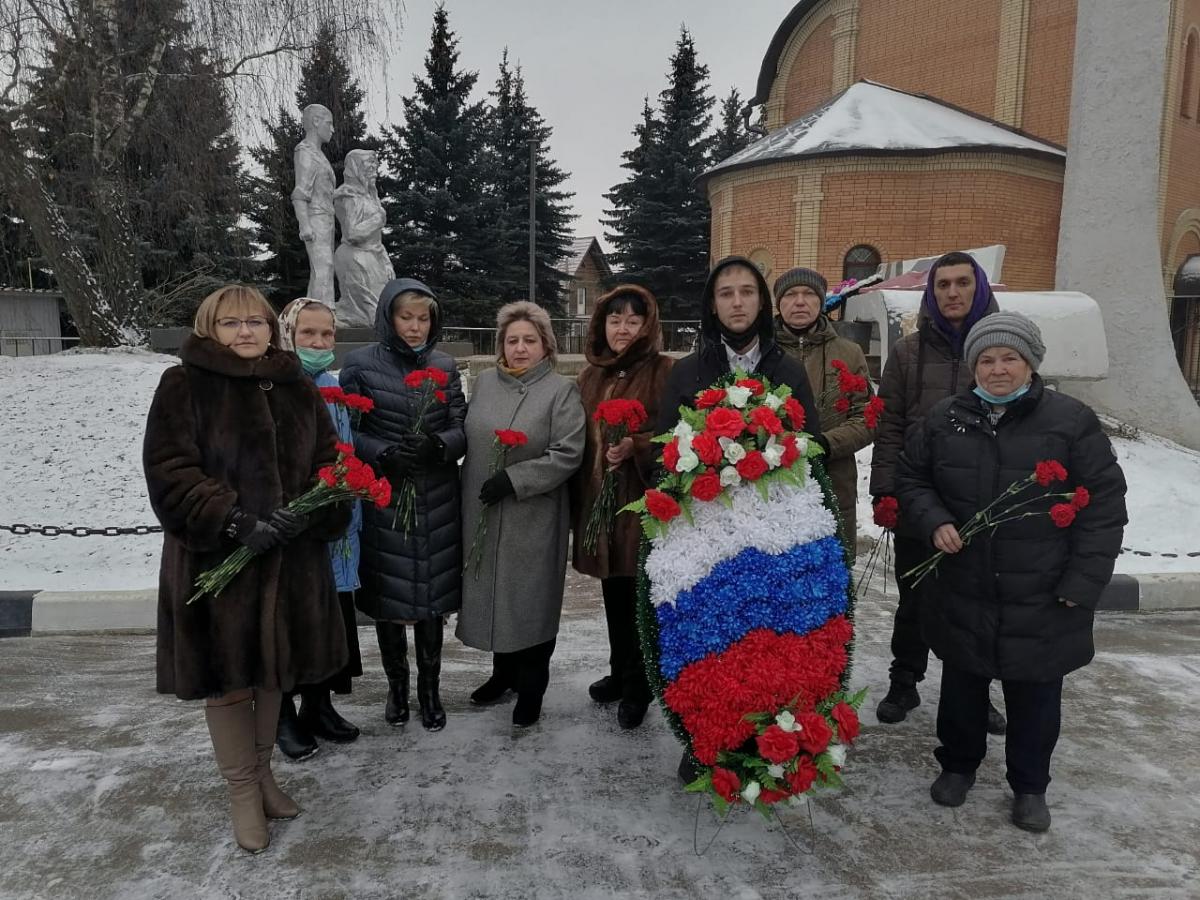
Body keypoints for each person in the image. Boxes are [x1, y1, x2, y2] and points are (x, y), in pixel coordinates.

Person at [895, 312, 1127, 832]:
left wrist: (1082, 584)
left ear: (1030, 363)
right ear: (973, 366)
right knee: (962, 685)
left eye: (1009, 358)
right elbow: (911, 478)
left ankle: (1029, 785)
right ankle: (957, 765)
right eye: (986, 359)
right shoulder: (945, 417)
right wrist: (934, 522)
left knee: (1036, 696)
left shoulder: (1070, 422)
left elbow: (1105, 507)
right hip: (964, 583)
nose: (997, 369)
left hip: (1041, 590)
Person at [144, 285, 351, 854]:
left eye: (255, 322)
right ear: (211, 328)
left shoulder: (296, 386)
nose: (245, 332)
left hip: (291, 561)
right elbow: (169, 469)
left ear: (270, 328)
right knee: (230, 678)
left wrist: (309, 512)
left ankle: (264, 777)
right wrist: (234, 522)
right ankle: (241, 791)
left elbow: (330, 461)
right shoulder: (184, 385)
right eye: (231, 323)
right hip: (221, 566)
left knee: (273, 674)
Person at [870, 251, 1007, 733]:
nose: (953, 293)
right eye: (943, 284)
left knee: (977, 604)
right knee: (915, 599)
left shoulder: (999, 348)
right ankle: (904, 678)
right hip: (917, 497)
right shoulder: (908, 352)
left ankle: (975, 689)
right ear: (932, 293)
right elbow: (888, 426)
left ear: (979, 288)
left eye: (962, 283)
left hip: (980, 502)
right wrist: (884, 492)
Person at [340, 279, 467, 732]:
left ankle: (430, 691)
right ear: (388, 318)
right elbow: (348, 429)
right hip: (387, 497)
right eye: (405, 317)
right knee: (390, 598)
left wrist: (437, 445)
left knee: (431, 598)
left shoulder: (445, 366)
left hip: (434, 495)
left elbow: (460, 424)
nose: (415, 327)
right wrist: (383, 452)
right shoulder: (359, 365)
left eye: (423, 318)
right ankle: (397, 688)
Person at [457, 301, 586, 728]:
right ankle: (502, 675)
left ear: (546, 345)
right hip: (485, 514)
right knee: (495, 596)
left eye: (529, 340)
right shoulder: (486, 384)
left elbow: (568, 453)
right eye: (512, 340)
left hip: (533, 515)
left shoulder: (560, 391)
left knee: (529, 602)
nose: (520, 348)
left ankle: (531, 689)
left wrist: (516, 479)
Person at [571, 285, 674, 730]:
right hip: (601, 505)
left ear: (648, 325)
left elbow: (679, 435)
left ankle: (640, 685)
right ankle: (620, 671)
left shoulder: (666, 371)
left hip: (641, 506)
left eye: (633, 321)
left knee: (640, 599)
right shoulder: (590, 377)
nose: (623, 329)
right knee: (613, 593)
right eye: (615, 320)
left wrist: (637, 445)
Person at [273, 298, 364, 760]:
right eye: (308, 333)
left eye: (327, 334)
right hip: (295, 523)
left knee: (330, 617)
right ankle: (281, 713)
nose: (318, 342)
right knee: (290, 621)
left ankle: (320, 704)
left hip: (337, 518)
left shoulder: (332, 383)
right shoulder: (273, 384)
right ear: (287, 332)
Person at [657, 255, 822, 437]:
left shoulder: (790, 371)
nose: (737, 303)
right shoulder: (686, 372)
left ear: (761, 301)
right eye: (726, 294)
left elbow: (812, 447)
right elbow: (661, 449)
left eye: (747, 292)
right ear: (713, 305)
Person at [773, 267, 875, 560]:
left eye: (808, 294)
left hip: (832, 480)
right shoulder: (762, 351)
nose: (800, 301)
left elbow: (867, 417)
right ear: (779, 304)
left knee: (829, 578)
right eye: (791, 295)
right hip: (773, 485)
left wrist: (825, 444)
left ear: (821, 302)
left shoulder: (849, 352)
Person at [332, 149, 394, 327]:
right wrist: (378, 219)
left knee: (385, 313)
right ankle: (335, 319)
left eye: (375, 167)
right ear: (355, 167)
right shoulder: (347, 196)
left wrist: (386, 261)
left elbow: (377, 239)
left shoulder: (371, 196)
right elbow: (352, 233)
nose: (374, 171)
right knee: (372, 317)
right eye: (369, 166)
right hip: (354, 258)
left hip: (375, 257)